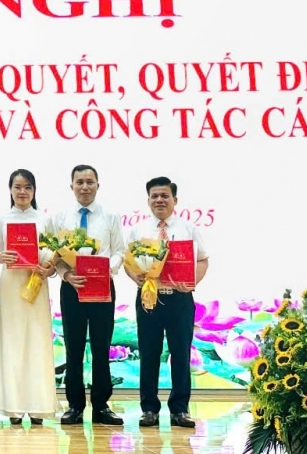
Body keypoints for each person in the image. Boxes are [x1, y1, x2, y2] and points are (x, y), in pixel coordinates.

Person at [127, 176, 208, 429]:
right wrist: (136, 277)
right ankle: (149, 409)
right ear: (148, 200)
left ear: (175, 200)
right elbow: (129, 262)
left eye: (165, 196)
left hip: (180, 299)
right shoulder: (139, 230)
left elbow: (203, 260)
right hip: (149, 298)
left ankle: (180, 409)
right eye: (154, 196)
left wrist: (192, 281)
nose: (159, 200)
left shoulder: (188, 229)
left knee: (181, 355)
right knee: (149, 354)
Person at [52, 165, 125, 426]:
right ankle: (74, 406)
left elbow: (119, 251)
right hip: (72, 289)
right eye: (80, 182)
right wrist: (66, 275)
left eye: (90, 182)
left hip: (102, 288)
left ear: (98, 185)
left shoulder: (110, 216)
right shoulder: (60, 218)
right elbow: (55, 255)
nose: (85, 187)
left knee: (101, 348)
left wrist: (107, 270)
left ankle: (101, 406)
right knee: (73, 348)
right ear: (71, 186)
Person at [0, 169, 61, 425]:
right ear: (10, 190)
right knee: (12, 340)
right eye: (17, 187)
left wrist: (49, 268)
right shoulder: (0, 220)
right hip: (11, 285)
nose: (22, 192)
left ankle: (39, 407)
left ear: (34, 191)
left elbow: (54, 254)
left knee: (37, 340)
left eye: (27, 187)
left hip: (36, 284)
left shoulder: (44, 220)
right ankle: (14, 407)